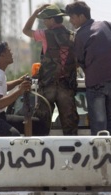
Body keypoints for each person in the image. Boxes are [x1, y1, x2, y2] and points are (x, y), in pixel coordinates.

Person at [65, 1, 111, 135]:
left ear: (81, 16)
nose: (71, 21)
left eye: (72, 17)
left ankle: (101, 156)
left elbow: (78, 62)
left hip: (95, 86)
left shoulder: (80, 35)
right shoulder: (107, 25)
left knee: (99, 126)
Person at [22, 4, 79, 135]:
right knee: (70, 126)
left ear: (52, 20)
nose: (43, 22)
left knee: (41, 125)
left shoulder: (44, 34)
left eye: (45, 19)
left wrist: (36, 12)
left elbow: (26, 30)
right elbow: (77, 61)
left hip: (48, 87)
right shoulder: (73, 36)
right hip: (67, 87)